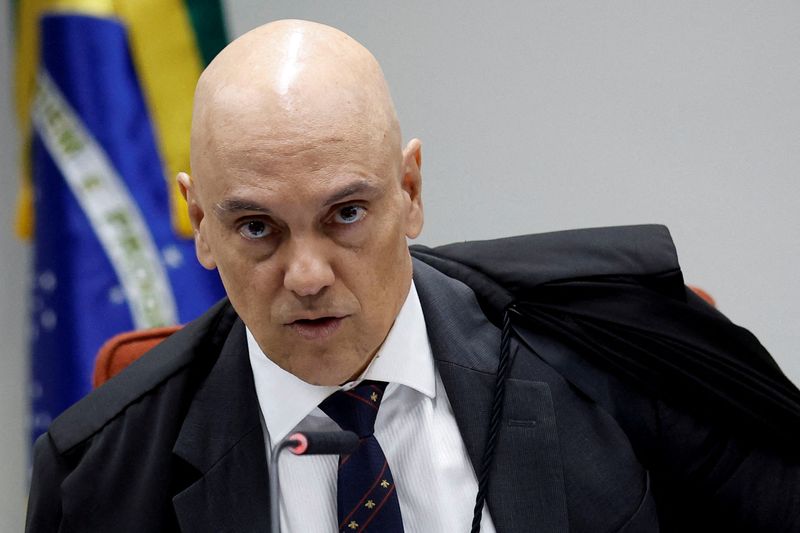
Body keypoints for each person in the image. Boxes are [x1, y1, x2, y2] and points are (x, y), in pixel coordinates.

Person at [26, 19, 800, 533]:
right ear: (199, 222)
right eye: (257, 227)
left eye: (346, 213)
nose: (306, 274)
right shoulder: (97, 476)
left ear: (411, 191)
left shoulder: (612, 358)